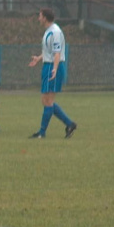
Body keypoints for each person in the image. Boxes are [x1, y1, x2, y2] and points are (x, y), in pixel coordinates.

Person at [28, 8, 76, 139]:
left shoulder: (55, 32)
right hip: (47, 66)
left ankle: (42, 132)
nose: (38, 18)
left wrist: (55, 68)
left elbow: (57, 53)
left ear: (44, 17)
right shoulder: (49, 31)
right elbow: (49, 51)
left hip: (52, 67)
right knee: (46, 100)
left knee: (48, 100)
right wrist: (38, 58)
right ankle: (69, 123)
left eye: (40, 16)